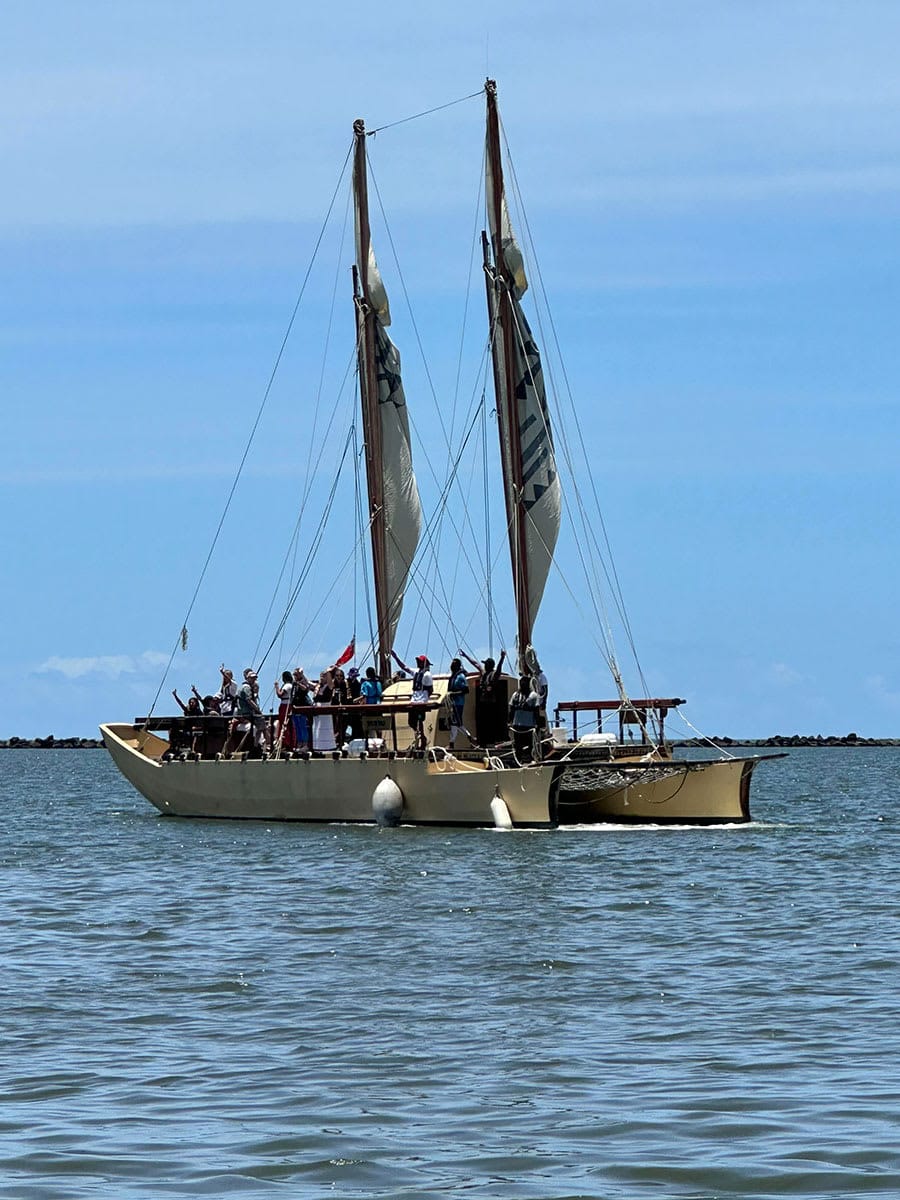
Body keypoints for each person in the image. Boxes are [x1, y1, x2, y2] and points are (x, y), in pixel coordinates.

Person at [461, 649, 508, 746]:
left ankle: (492, 740)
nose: (484, 666)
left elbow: (499, 668)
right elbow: (476, 664)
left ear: (489, 666)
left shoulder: (494, 675)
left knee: (490, 722)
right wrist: (466, 656)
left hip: (491, 703)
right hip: (483, 702)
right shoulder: (483, 673)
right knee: (482, 722)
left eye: (486, 664)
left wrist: (502, 658)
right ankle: (483, 740)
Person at [392, 651, 433, 751]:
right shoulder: (416, 672)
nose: (417, 663)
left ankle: (422, 739)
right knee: (411, 722)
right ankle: (421, 736)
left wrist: (425, 700)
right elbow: (404, 667)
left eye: (419, 661)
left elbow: (430, 690)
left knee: (419, 720)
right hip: (414, 701)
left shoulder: (427, 675)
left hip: (421, 701)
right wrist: (395, 657)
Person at [508, 675, 540, 763]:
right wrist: (509, 722)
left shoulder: (533, 696)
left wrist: (537, 724)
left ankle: (530, 759)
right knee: (518, 745)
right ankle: (518, 760)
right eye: (521, 683)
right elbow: (512, 709)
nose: (522, 685)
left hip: (529, 725)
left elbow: (536, 710)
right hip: (517, 725)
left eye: (524, 683)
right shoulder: (516, 695)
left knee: (530, 744)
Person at [446, 658, 470, 751]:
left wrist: (453, 694)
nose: (452, 665)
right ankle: (451, 743)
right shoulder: (452, 677)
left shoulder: (460, 677)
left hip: (458, 703)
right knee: (454, 723)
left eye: (454, 664)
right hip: (452, 703)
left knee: (457, 723)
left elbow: (466, 690)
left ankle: (470, 737)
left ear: (458, 666)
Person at [312, 670, 336, 752]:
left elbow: (330, 680)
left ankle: (328, 747)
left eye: (324, 676)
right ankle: (318, 747)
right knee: (317, 729)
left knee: (326, 729)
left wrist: (329, 672)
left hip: (326, 709)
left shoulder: (329, 686)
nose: (322, 678)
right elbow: (308, 684)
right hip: (317, 711)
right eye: (321, 676)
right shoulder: (318, 687)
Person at [290, 668, 312, 749]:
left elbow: (306, 688)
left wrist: (299, 683)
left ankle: (305, 743)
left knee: (303, 726)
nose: (295, 676)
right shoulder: (294, 684)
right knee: (297, 727)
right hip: (295, 707)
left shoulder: (303, 681)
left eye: (296, 674)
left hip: (302, 706)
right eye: (294, 675)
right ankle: (299, 743)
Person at [274, 670, 295, 750]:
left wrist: (277, 687)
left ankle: (285, 742)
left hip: (285, 705)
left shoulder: (287, 686)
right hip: (288, 704)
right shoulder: (291, 685)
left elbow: (280, 694)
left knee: (283, 722)